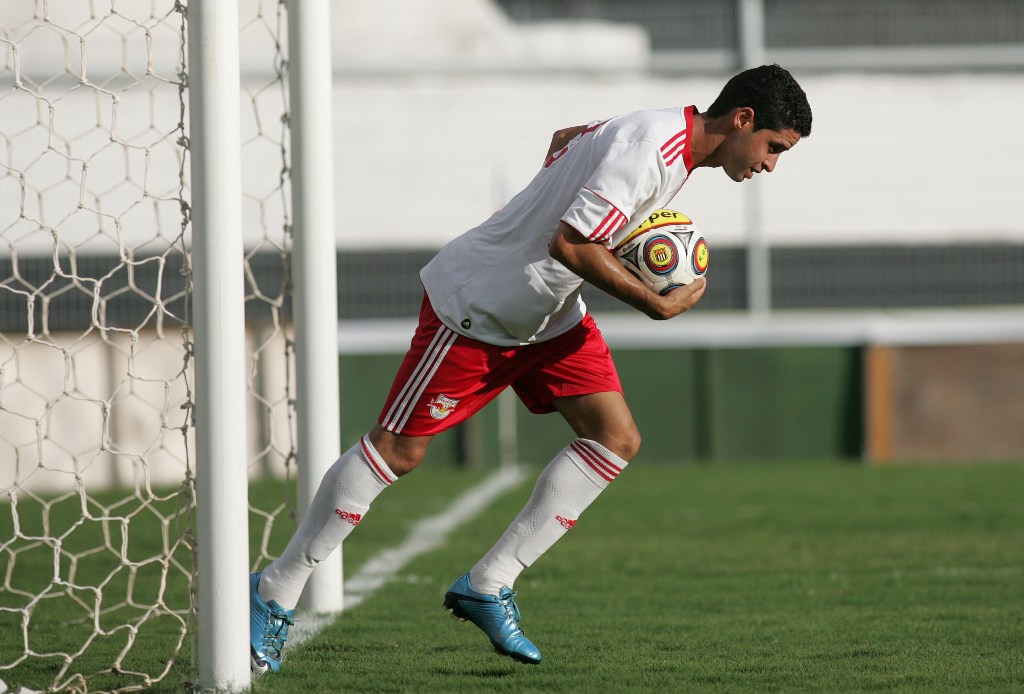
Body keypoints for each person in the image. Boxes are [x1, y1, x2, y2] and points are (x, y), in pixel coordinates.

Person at [248, 63, 812, 672]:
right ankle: (274, 591)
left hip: (549, 313)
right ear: (743, 119)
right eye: (774, 148)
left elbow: (567, 137)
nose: (770, 165)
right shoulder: (652, 148)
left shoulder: (660, 134)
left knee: (615, 437)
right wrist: (655, 301)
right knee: (399, 452)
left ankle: (488, 584)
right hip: (480, 306)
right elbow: (569, 245)